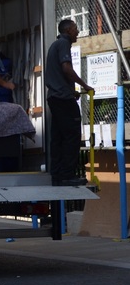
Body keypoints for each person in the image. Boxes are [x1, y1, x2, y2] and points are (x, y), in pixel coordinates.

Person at [45, 19, 94, 186]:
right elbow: (66, 68)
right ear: (67, 31)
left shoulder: (55, 45)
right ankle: (67, 174)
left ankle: (57, 175)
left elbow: (58, 73)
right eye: (75, 29)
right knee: (71, 135)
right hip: (62, 99)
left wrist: (71, 90)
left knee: (58, 136)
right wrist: (84, 85)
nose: (78, 32)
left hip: (55, 96)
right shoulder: (63, 44)